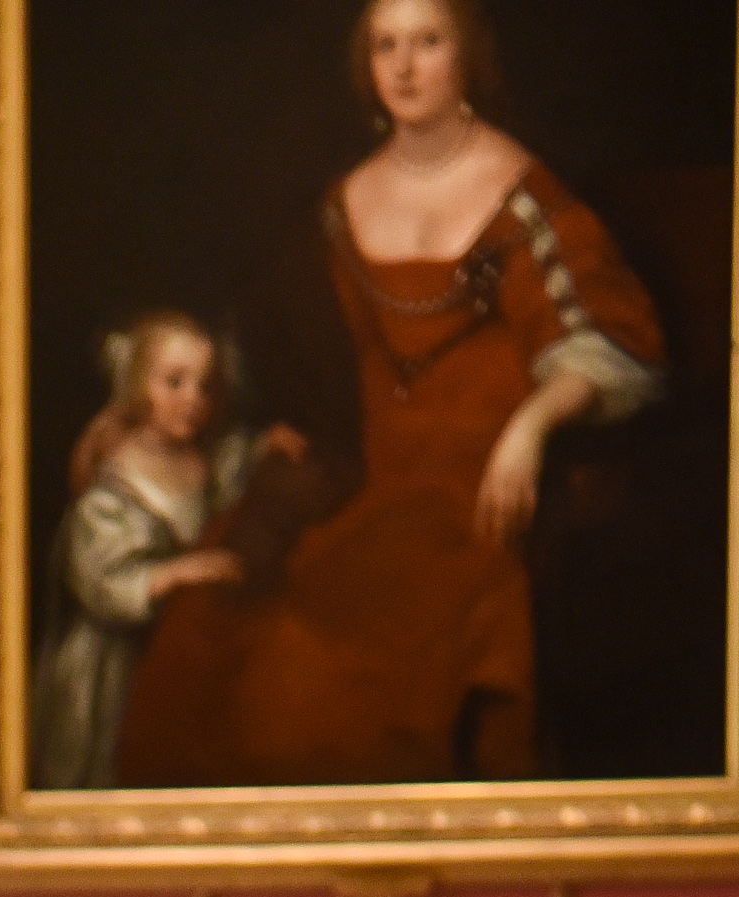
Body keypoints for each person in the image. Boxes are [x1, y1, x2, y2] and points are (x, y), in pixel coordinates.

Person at [116, 0, 664, 789]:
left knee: (335, 672)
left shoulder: (520, 191)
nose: (404, 67)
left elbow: (606, 337)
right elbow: (277, 351)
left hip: (485, 493)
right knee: (219, 623)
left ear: (467, 55)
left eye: (428, 43)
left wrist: (531, 426)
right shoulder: (344, 202)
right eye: (386, 46)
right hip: (376, 485)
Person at [28, 311, 289, 791]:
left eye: (205, 387)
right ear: (135, 386)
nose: (193, 401)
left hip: (170, 645)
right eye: (174, 383)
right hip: (112, 667)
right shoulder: (112, 485)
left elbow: (226, 488)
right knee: (109, 766)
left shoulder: (200, 459)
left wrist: (264, 450)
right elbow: (99, 582)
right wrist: (173, 573)